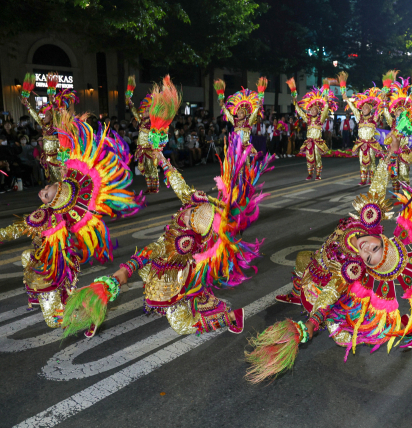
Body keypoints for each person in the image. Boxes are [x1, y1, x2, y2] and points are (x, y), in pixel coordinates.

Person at [246, 147, 412, 383]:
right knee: (302, 259)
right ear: (381, 238)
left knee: (320, 295)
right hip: (316, 257)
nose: (365, 250)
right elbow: (378, 185)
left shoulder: (350, 268)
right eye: (374, 248)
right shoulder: (369, 218)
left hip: (320, 278)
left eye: (368, 258)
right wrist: (388, 156)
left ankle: (333, 321)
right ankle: (306, 295)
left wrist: (312, 323)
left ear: (364, 266)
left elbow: (331, 290)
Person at [63, 133, 274, 338]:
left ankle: (231, 317)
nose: (187, 211)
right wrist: (162, 160)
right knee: (142, 269)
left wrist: (126, 270)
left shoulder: (186, 242)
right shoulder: (195, 202)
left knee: (181, 325)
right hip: (167, 261)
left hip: (177, 277)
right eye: (190, 210)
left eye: (191, 215)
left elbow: (158, 249)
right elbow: (180, 186)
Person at [0, 113, 143, 330]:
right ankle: (36, 296)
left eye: (47, 194)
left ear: (55, 203)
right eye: (47, 188)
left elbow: (18, 229)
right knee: (26, 256)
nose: (43, 190)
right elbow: (55, 170)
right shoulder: (58, 212)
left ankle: (88, 313)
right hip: (56, 265)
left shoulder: (48, 216)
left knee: (55, 320)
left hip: (50, 275)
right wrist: (52, 138)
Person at [19, 72, 79, 183]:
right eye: (44, 115)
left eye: (46, 115)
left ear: (51, 117)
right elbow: (35, 115)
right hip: (47, 159)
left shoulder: (56, 126)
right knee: (52, 183)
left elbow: (56, 113)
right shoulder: (43, 126)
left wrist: (53, 101)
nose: (44, 116)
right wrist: (27, 104)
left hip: (57, 160)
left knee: (61, 182)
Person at [216, 78, 267, 165]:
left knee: (246, 164)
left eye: (241, 113)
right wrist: (223, 105)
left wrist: (259, 105)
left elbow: (254, 114)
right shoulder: (235, 122)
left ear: (245, 114)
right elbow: (228, 114)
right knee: (236, 165)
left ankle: (245, 178)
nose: (239, 114)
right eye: (238, 113)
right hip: (236, 147)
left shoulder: (248, 122)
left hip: (245, 147)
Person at [380, 77, 412, 192]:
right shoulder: (392, 123)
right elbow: (386, 113)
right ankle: (396, 193)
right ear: (394, 115)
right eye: (397, 114)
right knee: (394, 174)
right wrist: (384, 101)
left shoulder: (408, 125)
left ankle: (406, 194)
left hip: (404, 153)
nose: (399, 116)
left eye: (401, 114)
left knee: (404, 175)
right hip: (394, 153)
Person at [343, 88, 385, 185]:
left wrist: (382, 99)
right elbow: (353, 108)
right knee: (362, 162)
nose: (364, 109)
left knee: (372, 162)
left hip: (371, 143)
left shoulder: (374, 118)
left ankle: (371, 179)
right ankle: (363, 180)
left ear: (370, 109)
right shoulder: (359, 117)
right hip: (361, 143)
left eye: (366, 108)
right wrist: (347, 99)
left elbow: (379, 109)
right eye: (363, 108)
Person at [293, 88, 338, 180]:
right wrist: (295, 102)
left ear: (318, 111)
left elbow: (326, 109)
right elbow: (301, 112)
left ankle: (318, 174)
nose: (312, 111)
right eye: (311, 110)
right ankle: (310, 174)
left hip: (317, 142)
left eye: (314, 110)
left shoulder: (320, 119)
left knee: (317, 157)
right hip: (309, 141)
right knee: (309, 158)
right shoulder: (308, 119)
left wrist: (326, 99)